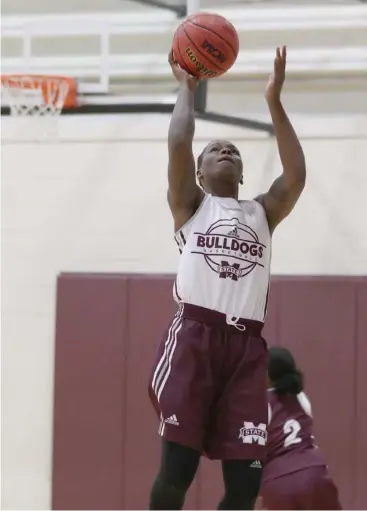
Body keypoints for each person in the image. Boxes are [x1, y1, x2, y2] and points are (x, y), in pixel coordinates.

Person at [148, 46, 306, 510]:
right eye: (215, 149)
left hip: (246, 351)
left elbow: (295, 174)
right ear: (199, 172)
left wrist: (274, 101)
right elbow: (178, 142)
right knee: (178, 471)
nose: (226, 151)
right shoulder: (191, 205)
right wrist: (186, 89)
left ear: (241, 172)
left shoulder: (262, 211)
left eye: (233, 150)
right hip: (195, 338)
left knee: (245, 485)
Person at [259, 347, 342, 510]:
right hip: (315, 472)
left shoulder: (258, 403)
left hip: (278, 480)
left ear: (267, 375)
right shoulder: (301, 397)